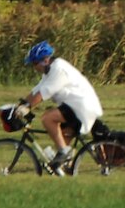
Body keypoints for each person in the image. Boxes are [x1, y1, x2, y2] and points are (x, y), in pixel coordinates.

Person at [13, 41, 104, 175]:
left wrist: (27, 108)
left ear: (45, 60)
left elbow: (44, 93)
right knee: (61, 139)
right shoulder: (50, 70)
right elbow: (36, 90)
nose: (34, 67)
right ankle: (67, 167)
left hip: (82, 107)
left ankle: (65, 153)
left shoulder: (59, 70)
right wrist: (22, 105)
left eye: (35, 63)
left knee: (47, 118)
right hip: (75, 106)